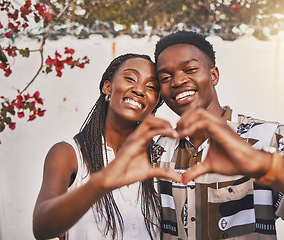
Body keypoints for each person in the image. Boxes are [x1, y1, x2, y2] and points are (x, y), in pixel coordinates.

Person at [152, 31, 284, 239]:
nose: (177, 81)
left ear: (214, 75)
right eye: (165, 77)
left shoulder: (264, 138)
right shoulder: (159, 151)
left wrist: (263, 164)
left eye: (190, 69)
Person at [32, 53, 182, 240]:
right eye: (130, 78)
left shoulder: (158, 158)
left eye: (151, 87)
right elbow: (41, 227)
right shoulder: (68, 154)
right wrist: (100, 183)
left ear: (156, 102)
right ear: (107, 87)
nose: (139, 90)